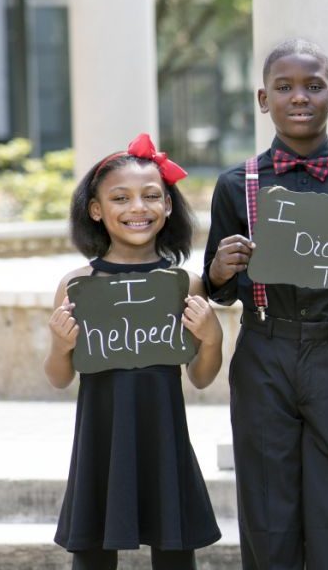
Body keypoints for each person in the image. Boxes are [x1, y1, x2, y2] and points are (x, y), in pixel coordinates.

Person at [203, 39, 328, 569]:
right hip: (263, 348)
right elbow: (215, 286)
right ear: (262, 99)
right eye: (285, 87)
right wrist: (221, 269)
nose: (299, 98)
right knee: (267, 501)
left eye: (313, 87)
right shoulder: (234, 187)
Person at [47, 133, 223, 569]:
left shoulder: (185, 284)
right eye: (120, 198)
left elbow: (200, 377)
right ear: (96, 209)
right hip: (100, 436)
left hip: (163, 431)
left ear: (167, 206)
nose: (137, 208)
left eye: (150, 196)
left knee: (174, 546)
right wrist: (60, 343)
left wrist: (213, 337)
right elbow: (58, 376)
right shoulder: (76, 285)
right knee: (92, 550)